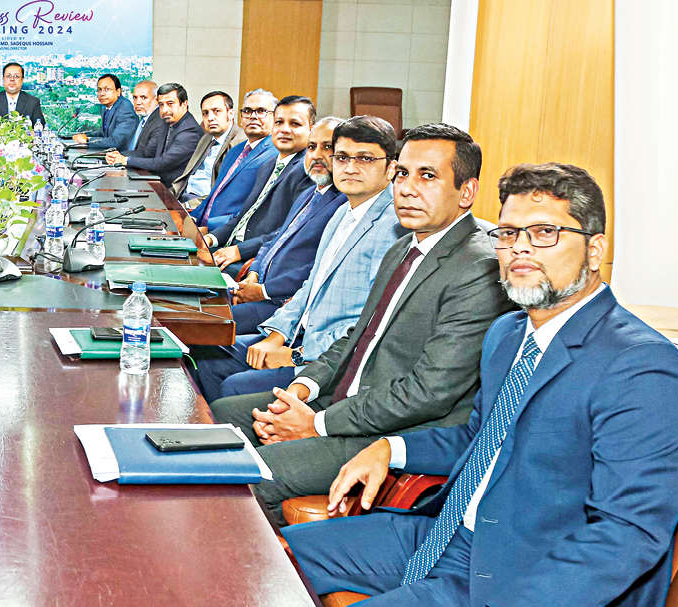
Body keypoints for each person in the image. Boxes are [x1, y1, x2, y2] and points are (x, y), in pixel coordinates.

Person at [284, 163, 678, 606]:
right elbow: (480, 438)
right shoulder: (507, 334)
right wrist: (389, 448)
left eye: (545, 233)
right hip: (444, 534)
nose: (520, 248)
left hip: (523, 578)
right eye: (508, 233)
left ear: (594, 251)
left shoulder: (642, 366)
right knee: (261, 555)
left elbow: (626, 535)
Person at [210, 123, 514, 525]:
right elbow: (359, 336)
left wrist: (315, 424)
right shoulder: (405, 245)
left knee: (252, 474)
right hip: (344, 402)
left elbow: (429, 392)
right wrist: (301, 391)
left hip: (392, 431)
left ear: (467, 192)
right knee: (223, 413)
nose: (407, 188)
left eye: (427, 176)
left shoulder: (480, 266)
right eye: (402, 173)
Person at [192, 116, 406, 401]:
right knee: (205, 352)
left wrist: (295, 355)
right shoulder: (343, 212)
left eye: (365, 159)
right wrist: (276, 336)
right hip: (296, 335)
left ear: (391, 168)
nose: (350, 167)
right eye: (342, 157)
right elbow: (310, 285)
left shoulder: (394, 227)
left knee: (233, 387)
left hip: (324, 359)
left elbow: (371, 320)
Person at [229, 117, 347, 330]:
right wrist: (254, 273)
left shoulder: (342, 204)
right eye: (311, 147)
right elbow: (275, 239)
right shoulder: (309, 193)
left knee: (203, 320)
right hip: (257, 289)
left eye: (327, 147)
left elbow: (316, 268)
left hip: (281, 305)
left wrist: (263, 291)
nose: (316, 155)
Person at [205, 95, 318, 275]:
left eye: (295, 124)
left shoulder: (309, 171)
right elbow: (244, 216)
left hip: (256, 260)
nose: (284, 129)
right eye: (279, 122)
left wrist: (239, 251)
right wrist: (211, 238)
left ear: (311, 129)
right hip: (230, 247)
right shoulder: (268, 165)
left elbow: (290, 231)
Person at [186, 89, 279, 231]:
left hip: (224, 234)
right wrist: (192, 218)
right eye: (247, 111)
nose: (253, 116)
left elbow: (254, 212)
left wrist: (209, 228)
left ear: (275, 118)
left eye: (261, 111)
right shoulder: (236, 150)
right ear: (241, 117)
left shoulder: (275, 155)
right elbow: (214, 195)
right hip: (201, 225)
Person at [103, 83, 204, 187]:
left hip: (171, 190)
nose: (165, 110)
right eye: (161, 104)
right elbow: (146, 153)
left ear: (184, 104)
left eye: (170, 104)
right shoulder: (167, 122)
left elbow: (164, 163)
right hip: (155, 182)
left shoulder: (190, 131)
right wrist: (117, 156)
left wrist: (126, 160)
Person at [171, 90, 245, 201]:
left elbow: (225, 194)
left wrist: (188, 205)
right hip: (183, 195)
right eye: (205, 113)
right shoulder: (206, 138)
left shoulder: (240, 143)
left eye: (217, 111)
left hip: (203, 203)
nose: (210, 118)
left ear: (230, 114)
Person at [71, 73, 136, 151]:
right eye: (99, 90)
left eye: (107, 89)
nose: (102, 94)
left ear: (118, 92)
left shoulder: (124, 108)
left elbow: (116, 142)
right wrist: (84, 135)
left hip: (122, 156)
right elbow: (104, 133)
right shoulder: (106, 107)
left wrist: (87, 140)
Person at [0, 62, 45, 126]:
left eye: (16, 76)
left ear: (22, 80)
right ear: (3, 79)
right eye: (8, 76)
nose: (12, 79)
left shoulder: (33, 102)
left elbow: (40, 128)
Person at [125, 80, 163, 154]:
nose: (138, 102)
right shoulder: (144, 118)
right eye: (135, 97)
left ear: (156, 100)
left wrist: (121, 157)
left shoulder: (159, 121)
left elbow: (147, 154)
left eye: (143, 97)